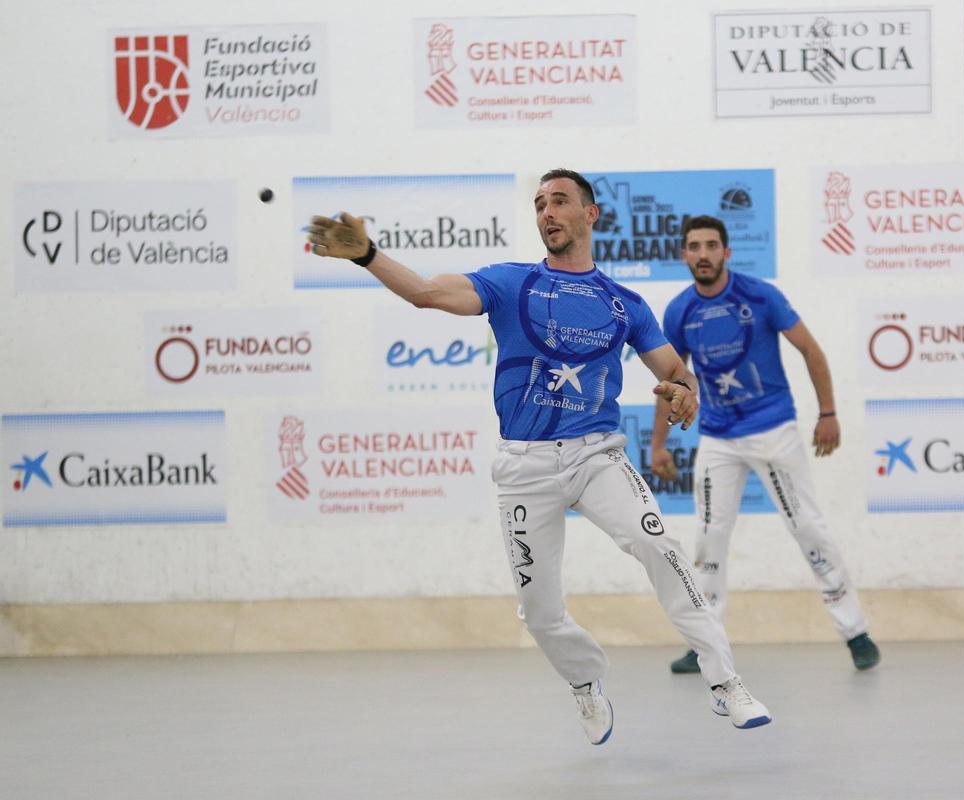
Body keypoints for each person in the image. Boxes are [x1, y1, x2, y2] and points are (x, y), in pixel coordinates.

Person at [306, 171, 771, 745]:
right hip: (523, 466)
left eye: (559, 202)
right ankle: (585, 683)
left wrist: (685, 391)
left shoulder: (624, 304)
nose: (547, 212)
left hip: (595, 457)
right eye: (539, 205)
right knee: (538, 611)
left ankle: (726, 682)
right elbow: (427, 293)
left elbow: (675, 373)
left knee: (659, 546)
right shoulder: (509, 283)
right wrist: (370, 256)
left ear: (590, 214)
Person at [650, 215, 880, 675]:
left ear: (727, 253)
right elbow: (672, 380)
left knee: (808, 528)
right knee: (710, 537)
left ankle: (855, 631)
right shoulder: (679, 311)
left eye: (711, 245)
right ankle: (705, 644)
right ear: (683, 256)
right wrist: (658, 445)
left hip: (774, 431)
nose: (703, 254)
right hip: (718, 438)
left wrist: (828, 413)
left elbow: (811, 351)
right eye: (693, 246)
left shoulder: (760, 295)